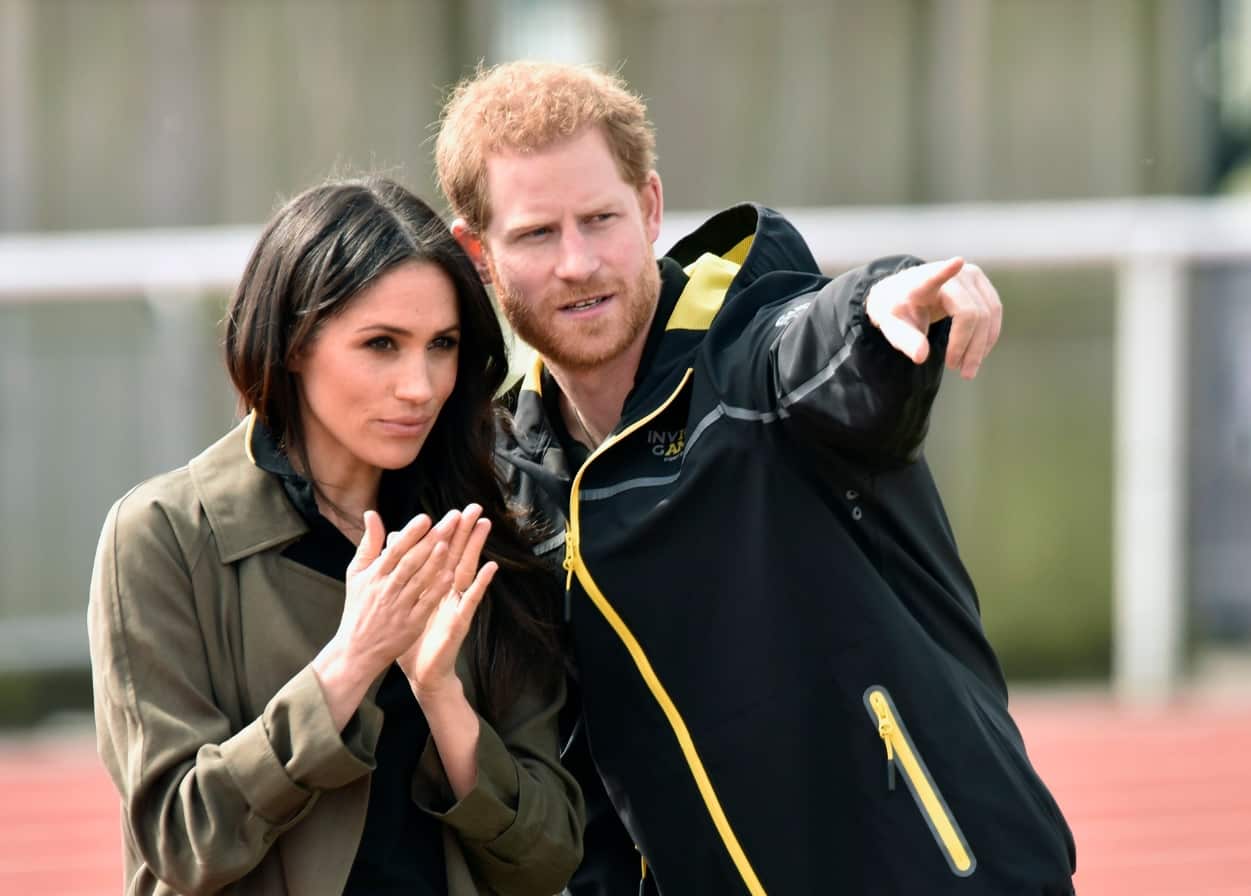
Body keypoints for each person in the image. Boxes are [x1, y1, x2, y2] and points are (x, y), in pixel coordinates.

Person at [435, 61, 1077, 894]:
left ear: (652, 207)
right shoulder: (512, 486)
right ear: (476, 250)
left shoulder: (751, 364)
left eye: (601, 219)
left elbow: (821, 345)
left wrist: (882, 305)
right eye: (535, 234)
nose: (578, 262)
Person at [87, 177, 584, 896]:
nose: (419, 385)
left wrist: (440, 693)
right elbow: (183, 840)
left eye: (440, 345)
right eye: (381, 344)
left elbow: (546, 861)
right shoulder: (165, 535)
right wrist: (349, 664)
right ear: (293, 344)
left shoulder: (485, 532)